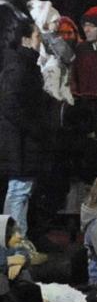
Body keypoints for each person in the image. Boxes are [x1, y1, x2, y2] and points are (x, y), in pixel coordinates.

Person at [1, 19, 50, 259]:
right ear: (26, 39)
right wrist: (34, 127)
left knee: (23, 191)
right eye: (38, 37)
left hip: (24, 141)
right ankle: (13, 246)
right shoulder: (20, 67)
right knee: (18, 192)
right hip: (20, 142)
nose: (40, 42)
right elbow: (10, 103)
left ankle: (19, 243)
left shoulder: (24, 65)